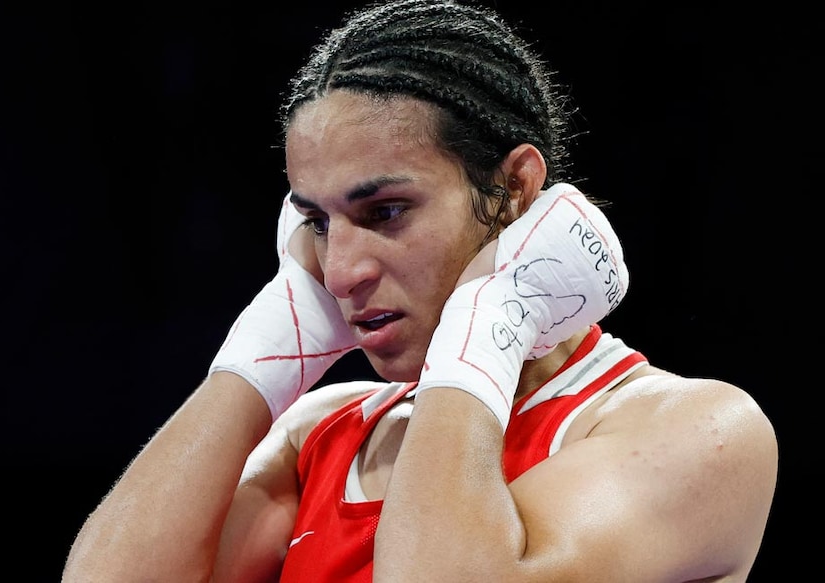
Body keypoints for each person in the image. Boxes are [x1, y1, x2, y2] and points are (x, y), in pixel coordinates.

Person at [62, 0, 778, 580]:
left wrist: (491, 311)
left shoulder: (699, 431)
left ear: (513, 190)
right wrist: (263, 354)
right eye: (316, 221)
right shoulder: (319, 432)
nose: (339, 271)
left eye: (384, 212)